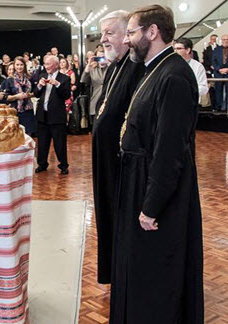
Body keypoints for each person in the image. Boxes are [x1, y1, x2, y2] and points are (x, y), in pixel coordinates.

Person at [109, 5, 204, 323]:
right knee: (138, 267)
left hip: (156, 191)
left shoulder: (175, 74)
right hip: (138, 179)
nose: (128, 39)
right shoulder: (155, 68)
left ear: (153, 32)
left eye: (132, 32)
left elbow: (169, 151)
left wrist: (151, 206)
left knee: (156, 274)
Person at [92, 10, 145, 285]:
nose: (103, 39)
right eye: (102, 34)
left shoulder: (137, 67)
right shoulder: (114, 67)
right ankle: (113, 269)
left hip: (121, 163)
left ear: (127, 35)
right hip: (106, 162)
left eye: (109, 33)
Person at [34, 55, 71, 174]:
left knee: (60, 143)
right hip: (42, 116)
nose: (46, 66)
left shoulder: (64, 78)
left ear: (56, 65)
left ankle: (63, 165)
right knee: (42, 143)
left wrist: (58, 84)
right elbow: (36, 94)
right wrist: (39, 86)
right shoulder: (42, 76)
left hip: (57, 117)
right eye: (45, 64)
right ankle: (42, 164)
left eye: (49, 64)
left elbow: (66, 95)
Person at [3, 56, 35, 135]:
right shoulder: (9, 80)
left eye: (21, 65)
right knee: (15, 136)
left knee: (28, 135)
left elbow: (35, 92)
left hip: (28, 111)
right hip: (14, 112)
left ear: (24, 65)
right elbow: (6, 98)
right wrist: (17, 96)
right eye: (17, 65)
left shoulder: (30, 78)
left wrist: (29, 95)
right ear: (14, 66)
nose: (19, 67)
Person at [81, 48, 109, 124]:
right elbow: (83, 80)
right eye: (99, 57)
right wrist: (89, 64)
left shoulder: (112, 68)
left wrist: (109, 62)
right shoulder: (93, 69)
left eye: (104, 57)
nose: (102, 59)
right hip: (95, 100)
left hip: (109, 101)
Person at [212, 34, 228, 111]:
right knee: (218, 91)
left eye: (227, 39)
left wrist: (227, 69)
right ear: (221, 40)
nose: (226, 41)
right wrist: (219, 69)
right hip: (219, 74)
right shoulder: (216, 49)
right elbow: (213, 61)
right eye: (224, 39)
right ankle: (218, 107)